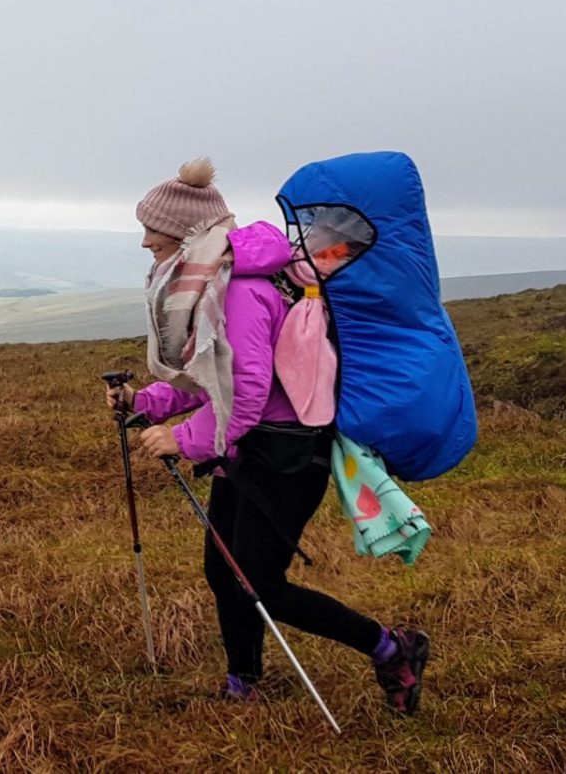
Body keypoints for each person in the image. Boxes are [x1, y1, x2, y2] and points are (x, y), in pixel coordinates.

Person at [106, 158, 431, 715]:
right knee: (224, 570)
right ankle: (243, 682)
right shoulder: (214, 282)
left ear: (186, 233)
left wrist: (183, 440)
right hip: (251, 450)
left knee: (260, 581)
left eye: (151, 229)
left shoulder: (238, 291)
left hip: (285, 457)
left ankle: (392, 648)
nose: (143, 242)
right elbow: (215, 377)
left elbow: (248, 390)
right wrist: (148, 402)